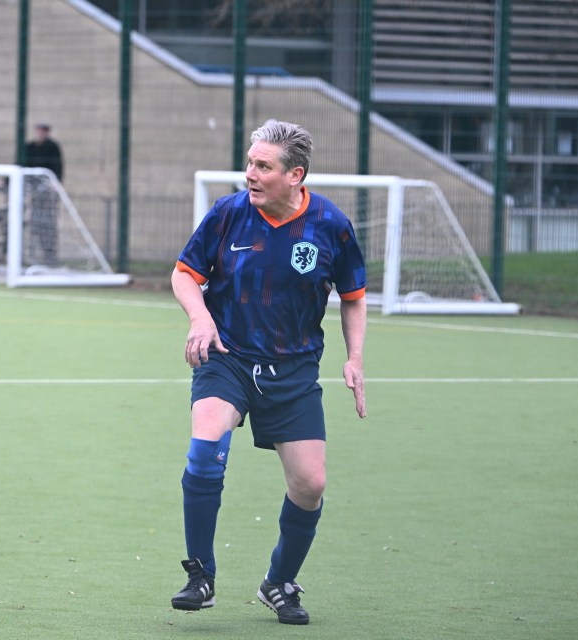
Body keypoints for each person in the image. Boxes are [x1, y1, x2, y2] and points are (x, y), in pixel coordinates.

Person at [169, 120, 368, 625]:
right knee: (206, 445)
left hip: (294, 368)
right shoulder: (228, 215)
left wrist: (354, 357)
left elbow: (353, 298)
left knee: (310, 484)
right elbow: (185, 273)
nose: (250, 175)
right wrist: (200, 316)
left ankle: (279, 581)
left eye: (263, 166)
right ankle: (200, 575)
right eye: (250, 163)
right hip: (228, 356)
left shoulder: (331, 225)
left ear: (295, 175)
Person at [23, 123, 64, 265]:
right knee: (32, 223)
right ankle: (31, 255)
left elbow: (58, 166)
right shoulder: (29, 147)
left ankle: (49, 254)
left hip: (47, 193)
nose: (41, 134)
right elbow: (20, 164)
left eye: (44, 131)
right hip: (33, 192)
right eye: (39, 131)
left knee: (47, 223)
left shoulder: (53, 147)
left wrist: (55, 182)